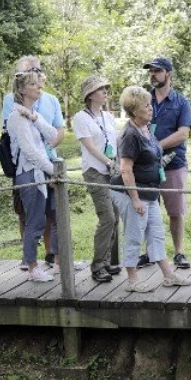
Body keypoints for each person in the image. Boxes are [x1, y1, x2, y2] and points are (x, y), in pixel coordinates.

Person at [110, 86, 191, 293]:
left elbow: (153, 155)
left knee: (156, 233)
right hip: (132, 192)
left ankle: (168, 275)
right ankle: (132, 280)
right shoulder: (129, 134)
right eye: (146, 105)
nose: (151, 108)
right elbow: (126, 170)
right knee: (134, 235)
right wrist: (135, 199)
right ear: (135, 110)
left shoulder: (146, 129)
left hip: (151, 191)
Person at [1, 55, 65, 271]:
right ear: (21, 90)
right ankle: (31, 266)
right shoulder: (16, 117)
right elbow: (30, 152)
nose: (38, 87)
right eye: (32, 84)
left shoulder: (31, 114)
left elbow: (52, 133)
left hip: (43, 171)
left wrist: (35, 117)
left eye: (39, 84)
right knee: (35, 221)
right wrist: (52, 170)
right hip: (29, 173)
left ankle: (53, 260)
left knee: (53, 217)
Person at [143, 56, 191, 269]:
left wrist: (157, 146)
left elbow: (183, 133)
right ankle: (150, 253)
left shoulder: (182, 102)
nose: (152, 75)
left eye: (157, 71)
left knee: (175, 212)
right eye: (151, 71)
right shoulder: (144, 100)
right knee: (146, 210)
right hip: (145, 165)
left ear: (168, 74)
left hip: (174, 164)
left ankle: (179, 252)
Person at [72, 74, 121, 283]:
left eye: (106, 89)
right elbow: (90, 147)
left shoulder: (108, 117)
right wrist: (109, 163)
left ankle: (108, 261)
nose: (105, 92)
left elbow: (115, 143)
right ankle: (98, 264)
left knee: (115, 217)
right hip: (95, 171)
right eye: (101, 89)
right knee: (107, 217)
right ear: (90, 95)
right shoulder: (80, 118)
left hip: (112, 171)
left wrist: (118, 163)